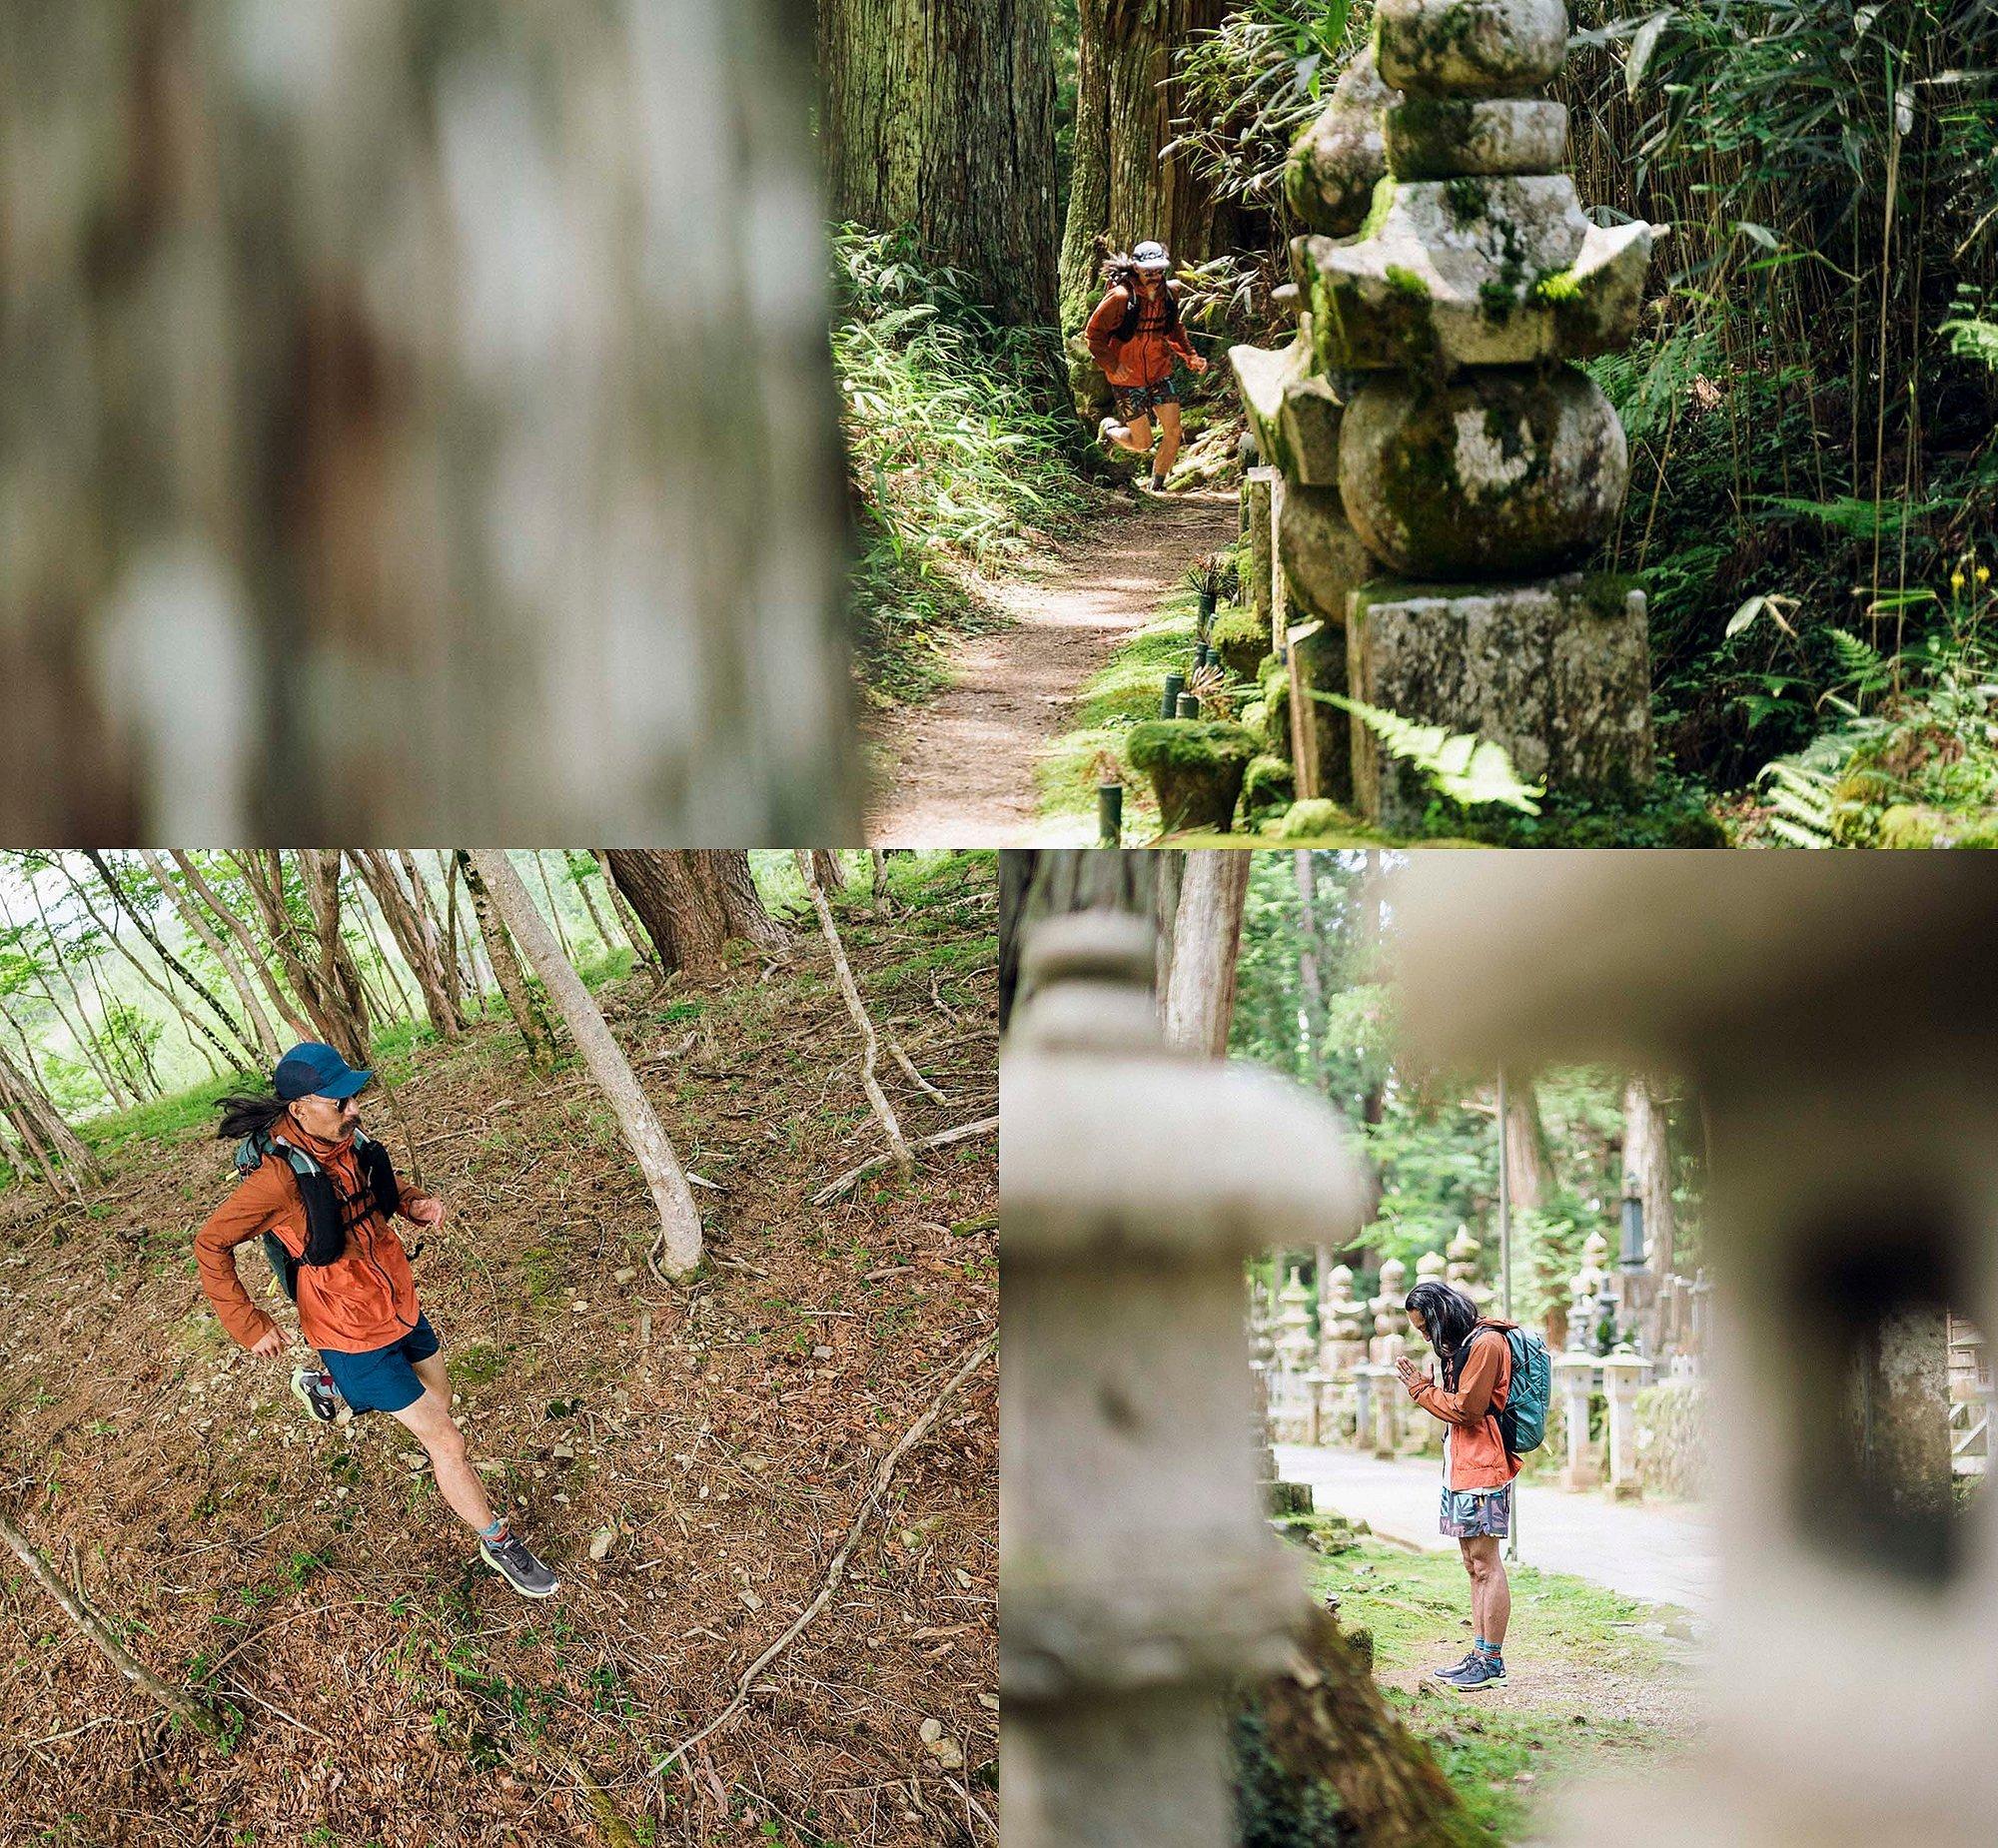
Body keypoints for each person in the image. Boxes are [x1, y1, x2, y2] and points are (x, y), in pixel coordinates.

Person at [194, 1041, 559, 1599]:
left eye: (353, 1097)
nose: (353, 1109)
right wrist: (249, 1323)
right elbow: (210, 1244)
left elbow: (375, 1195)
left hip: (397, 1302)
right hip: (347, 1328)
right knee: (447, 1441)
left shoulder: (349, 1142)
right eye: (339, 1102)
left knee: (441, 1403)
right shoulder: (277, 1180)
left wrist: (412, 1203)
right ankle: (497, 1539)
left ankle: (328, 1387)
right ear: (300, 1107)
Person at [1396, 1279, 1520, 1690]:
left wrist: (1421, 1389)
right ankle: (1480, 1652)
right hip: (1461, 1466)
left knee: (1486, 1563)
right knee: (1472, 1565)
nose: (1426, 1337)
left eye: (1425, 1328)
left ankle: (1493, 1660)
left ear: (1441, 1316)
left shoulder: (1486, 1344)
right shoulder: (1464, 1344)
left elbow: (1467, 1410)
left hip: (1483, 1466)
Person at [1084, 240, 1209, 491]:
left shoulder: (1169, 294)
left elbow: (1173, 330)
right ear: (1136, 269)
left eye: (1158, 271)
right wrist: (1111, 364)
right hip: (1127, 379)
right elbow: (1093, 335)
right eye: (1148, 272)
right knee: (1142, 443)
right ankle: (1109, 429)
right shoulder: (1120, 297)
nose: (1154, 277)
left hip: (1159, 371)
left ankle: (1157, 486)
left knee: (1173, 431)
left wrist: (1190, 356)